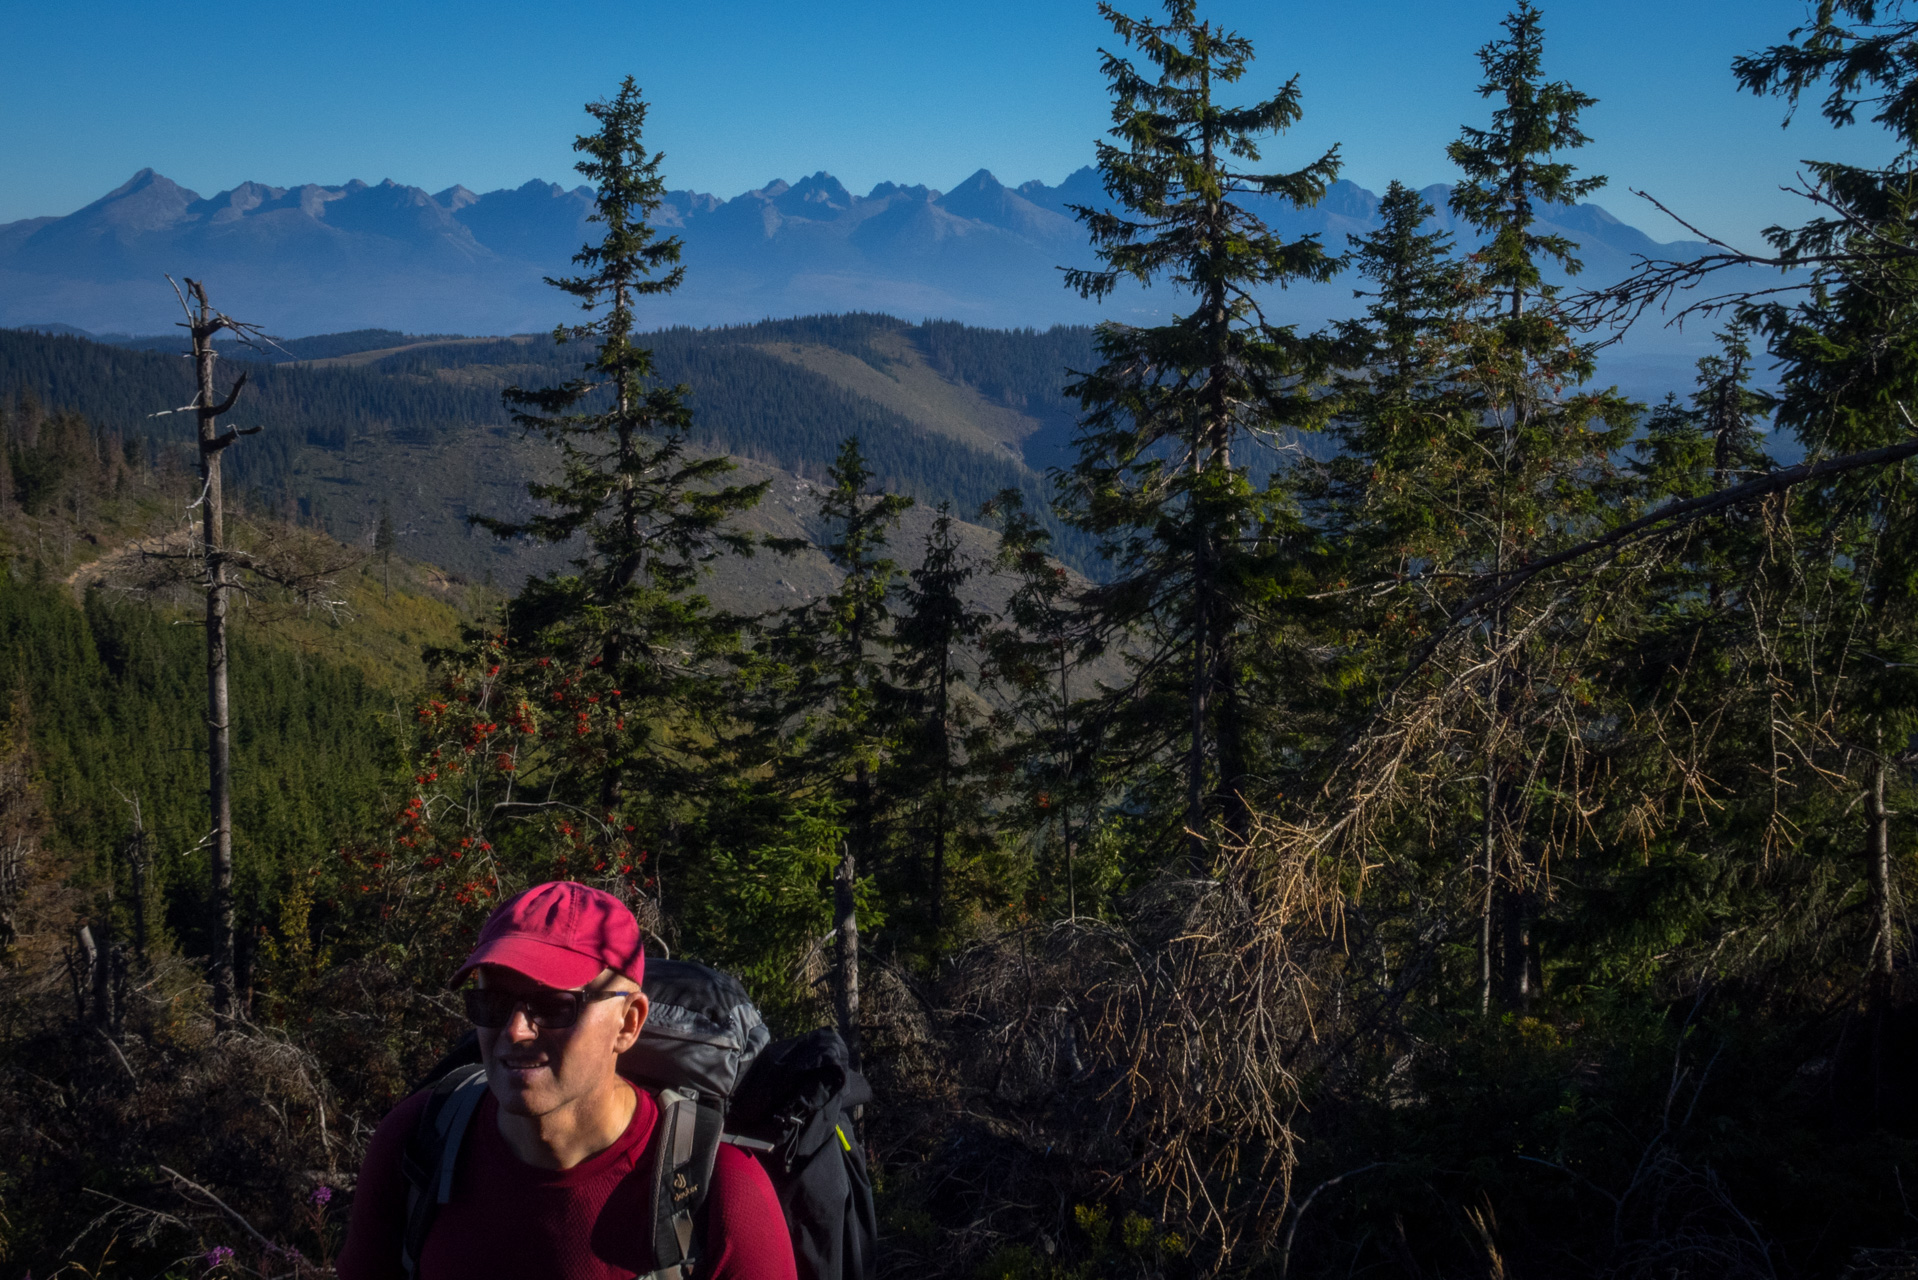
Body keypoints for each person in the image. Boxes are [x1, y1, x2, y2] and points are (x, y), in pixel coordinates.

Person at [337, 880, 798, 1280]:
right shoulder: (418, 1142)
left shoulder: (721, 1195)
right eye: (493, 1003)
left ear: (628, 1023)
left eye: (554, 1005)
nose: (515, 1031)